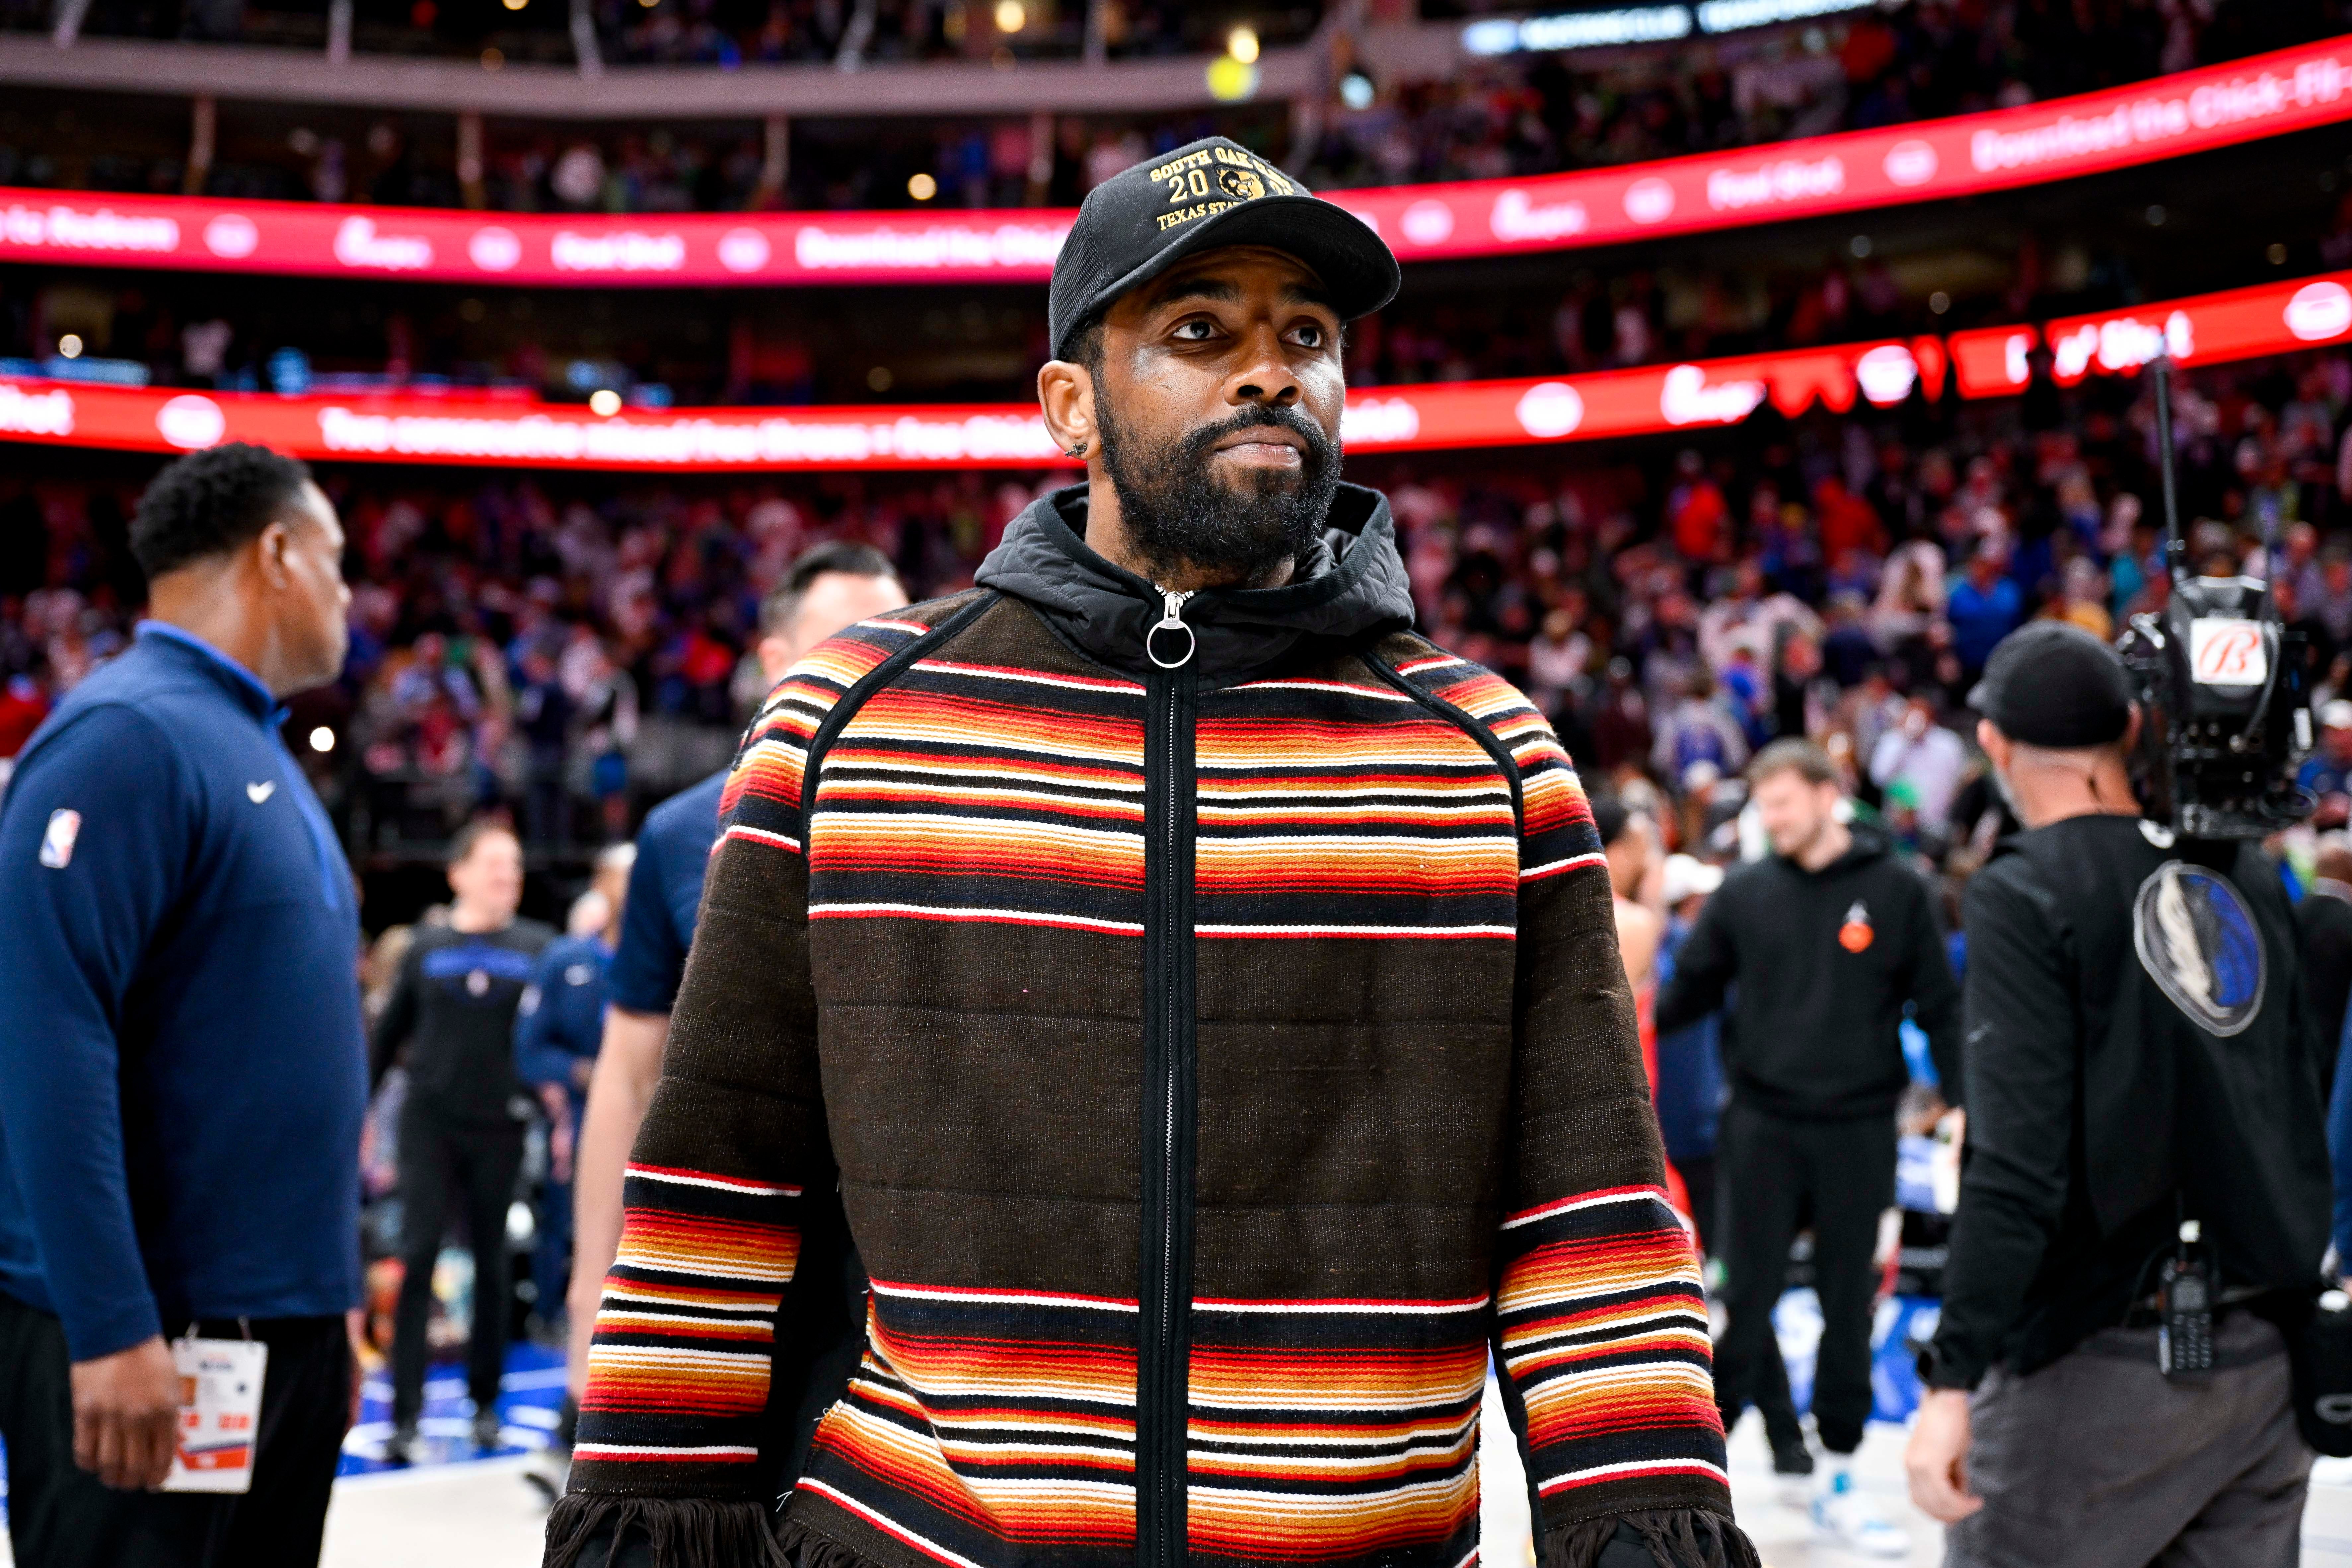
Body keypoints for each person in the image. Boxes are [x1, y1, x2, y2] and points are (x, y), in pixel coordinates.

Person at [551, 136, 1750, 1568]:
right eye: (1199, 330)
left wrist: (1638, 1521)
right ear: (1067, 401)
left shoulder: (1479, 751)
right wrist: (658, 1499)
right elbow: (721, 1170)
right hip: (922, 1538)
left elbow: (1589, 1208)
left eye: (1306, 335)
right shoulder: (849, 723)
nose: (1269, 372)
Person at [0, 443, 362, 1567]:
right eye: (337, 564)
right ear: (276, 554)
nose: (350, 596)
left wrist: (326, 1314)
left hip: (271, 1329)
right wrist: (110, 1322)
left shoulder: (245, 743)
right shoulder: (127, 736)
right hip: (152, 1334)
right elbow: (43, 1032)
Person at [1907, 621, 2332, 1567]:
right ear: (2134, 727)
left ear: (1994, 742)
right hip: (2268, 1355)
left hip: (2099, 1363)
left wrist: (1952, 1377)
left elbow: (2016, 1164)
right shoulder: (2248, 869)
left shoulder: (2024, 890)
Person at [555, 542, 906, 1477]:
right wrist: (594, 1277)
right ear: (772, 661)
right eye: (842, 643)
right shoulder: (680, 833)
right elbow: (627, 1074)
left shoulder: (953, 823)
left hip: (904, 1277)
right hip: (726, 1262)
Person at [1654, 737, 1960, 1557]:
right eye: (1764, 803)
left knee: (1845, 1307)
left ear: (1827, 794)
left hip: (1859, 1126)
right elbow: (1679, 999)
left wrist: (1967, 1104)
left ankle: (1839, 1477)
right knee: (1743, 1304)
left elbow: (1938, 1004)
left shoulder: (1898, 889)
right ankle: (1691, 1484)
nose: (1771, 816)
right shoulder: (1745, 892)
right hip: (1760, 1122)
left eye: (1783, 799)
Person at [370, 819, 555, 1462]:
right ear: (459, 873)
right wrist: (363, 1113)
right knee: (416, 1257)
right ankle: (404, 1414)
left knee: (493, 1263)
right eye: (494, 863)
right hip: (429, 1121)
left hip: (501, 1126)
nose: (507, 875)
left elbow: (557, 1037)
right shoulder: (426, 945)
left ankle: (483, 1405)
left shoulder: (540, 946)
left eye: (514, 865)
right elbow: (389, 1033)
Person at [515, 843, 635, 1331]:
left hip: (649, 1113)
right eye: (622, 878)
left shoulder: (670, 958)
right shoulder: (565, 960)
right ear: (603, 884)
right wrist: (581, 1073)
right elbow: (529, 1050)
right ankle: (552, 1314)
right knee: (567, 1220)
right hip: (581, 1115)